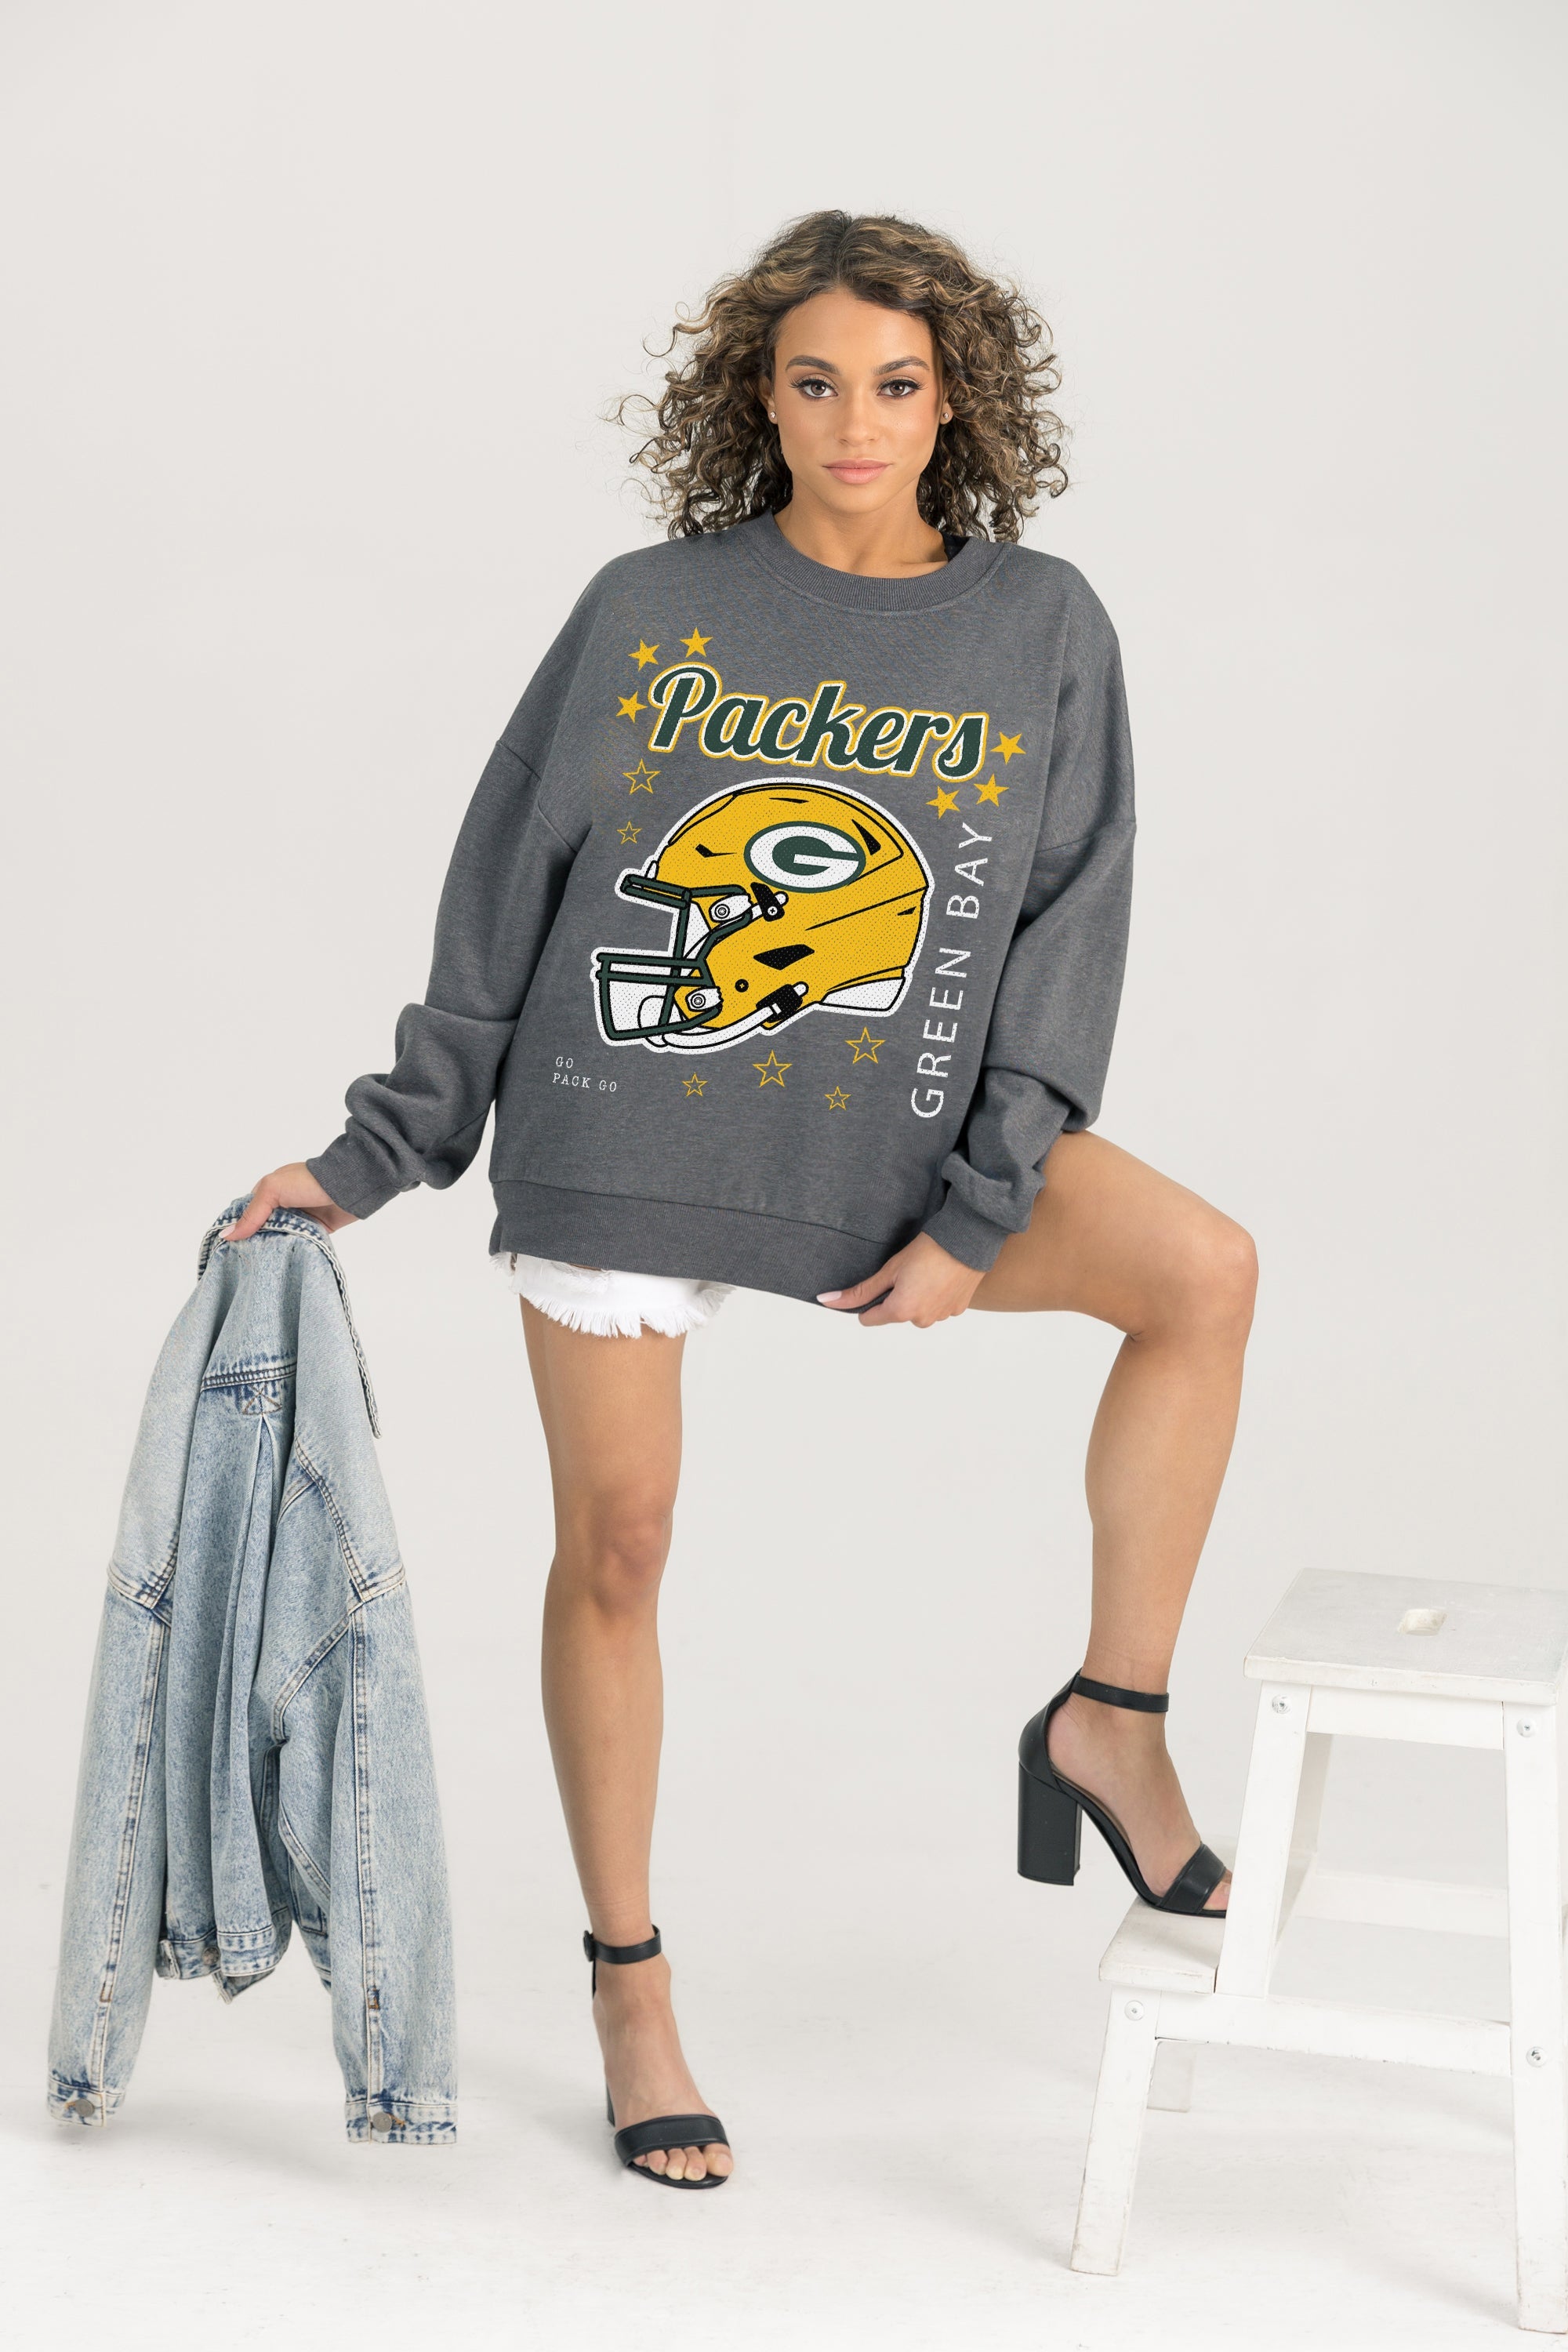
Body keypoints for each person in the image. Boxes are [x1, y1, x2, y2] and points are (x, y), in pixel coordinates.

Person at [225, 210, 1257, 2190]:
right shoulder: (649, 607)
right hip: (626, 1128)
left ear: (953, 402)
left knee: (1201, 1273)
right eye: (813, 382)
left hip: (896, 1144)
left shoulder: (1041, 624)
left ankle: (1110, 1718)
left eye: (895, 384)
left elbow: (1065, 927)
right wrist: (377, 1152)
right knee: (618, 1547)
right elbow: (508, 888)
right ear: (755, 399)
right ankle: (630, 1981)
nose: (855, 422)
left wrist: (980, 1207)